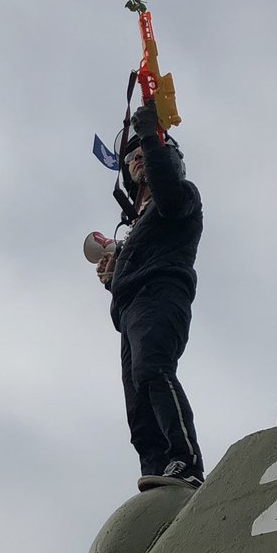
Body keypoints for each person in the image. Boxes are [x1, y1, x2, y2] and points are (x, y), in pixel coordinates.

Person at [96, 101, 204, 490]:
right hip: (131, 309)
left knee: (153, 370)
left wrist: (147, 132)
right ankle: (157, 471)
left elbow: (169, 196)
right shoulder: (138, 225)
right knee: (138, 402)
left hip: (161, 294)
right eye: (133, 159)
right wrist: (113, 279)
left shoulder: (179, 197)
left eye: (146, 154)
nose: (138, 160)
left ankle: (186, 461)